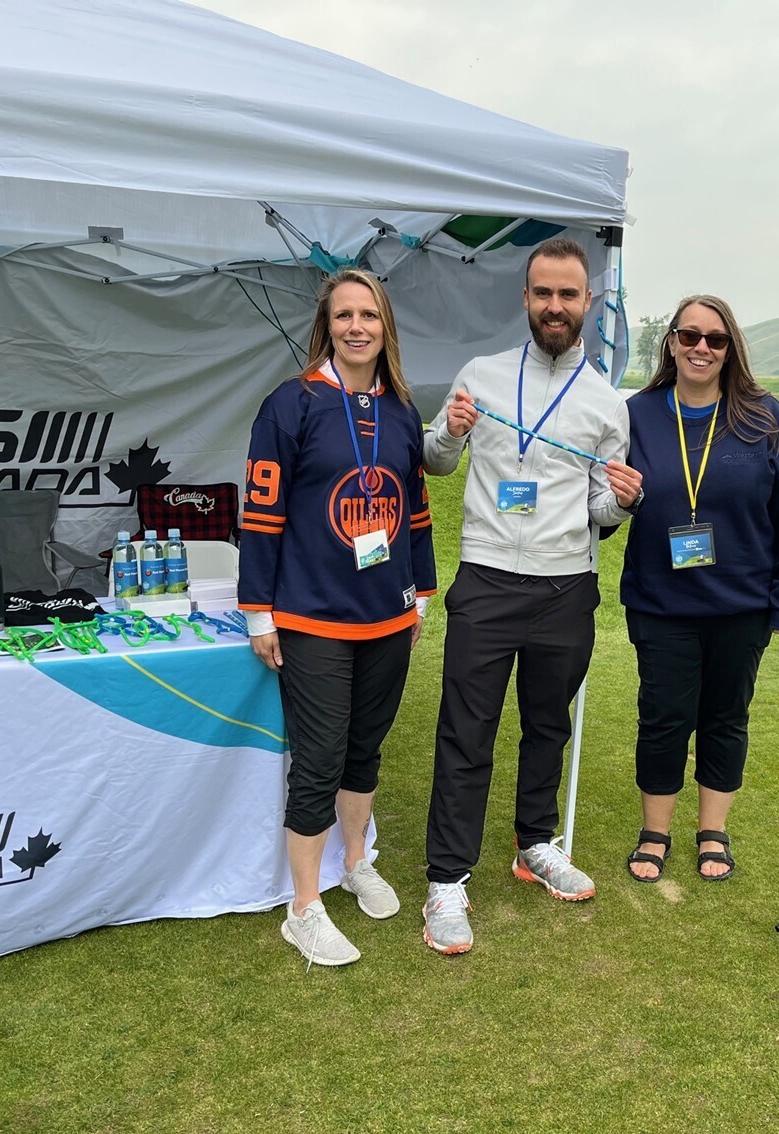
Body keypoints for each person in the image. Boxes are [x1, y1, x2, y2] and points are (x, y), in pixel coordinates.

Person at [419, 237, 643, 954]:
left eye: (567, 294)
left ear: (588, 303)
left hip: (565, 586)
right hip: (486, 578)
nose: (555, 306)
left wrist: (622, 501)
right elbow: (436, 461)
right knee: (466, 730)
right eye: (543, 293)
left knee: (548, 726)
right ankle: (447, 878)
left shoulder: (606, 401)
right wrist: (449, 433)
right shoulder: (480, 376)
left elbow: (598, 509)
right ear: (525, 298)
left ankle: (535, 843)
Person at [239, 269, 437, 968]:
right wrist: (258, 612)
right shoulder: (290, 404)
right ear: (327, 326)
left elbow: (414, 511)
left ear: (386, 327)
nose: (357, 327)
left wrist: (420, 594)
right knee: (319, 758)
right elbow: (261, 514)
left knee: (364, 748)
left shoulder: (403, 410)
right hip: (312, 615)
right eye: (345, 315)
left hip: (387, 613)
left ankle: (356, 862)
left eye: (369, 315)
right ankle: (303, 908)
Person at [621, 295, 779, 883]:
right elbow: (602, 509)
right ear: (671, 343)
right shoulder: (636, 414)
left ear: (731, 348)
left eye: (715, 338)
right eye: (689, 336)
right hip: (661, 603)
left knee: (726, 718)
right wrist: (617, 501)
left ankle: (713, 831)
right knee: (662, 718)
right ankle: (654, 831)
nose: (701, 347)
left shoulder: (765, 418)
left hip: (741, 604)